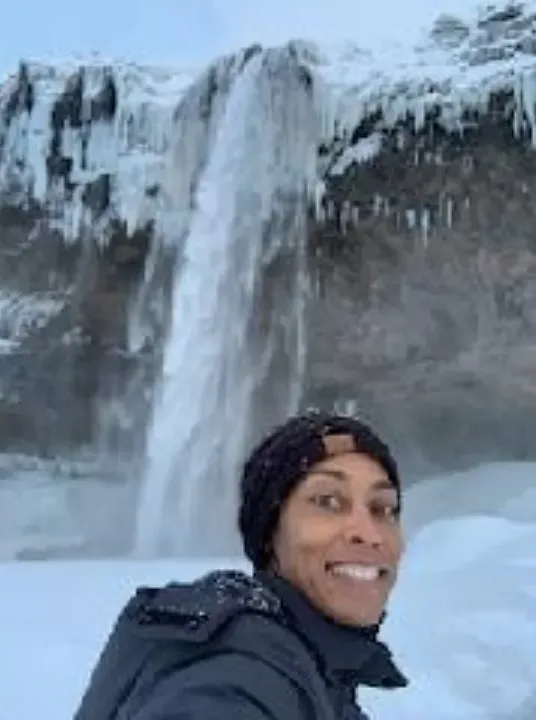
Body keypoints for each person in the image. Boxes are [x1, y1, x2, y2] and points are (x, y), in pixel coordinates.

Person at [75, 410, 408, 719]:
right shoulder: (233, 675)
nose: (369, 534)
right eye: (328, 501)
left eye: (384, 508)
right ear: (269, 532)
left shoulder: (316, 664)